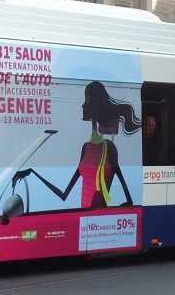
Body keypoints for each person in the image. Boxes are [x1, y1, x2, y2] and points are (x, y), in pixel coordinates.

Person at [14, 80, 140, 210]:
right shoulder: (86, 148)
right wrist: (33, 172)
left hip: (98, 219)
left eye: (88, 100)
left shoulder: (108, 148)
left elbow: (128, 199)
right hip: (83, 216)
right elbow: (64, 194)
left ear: (97, 105)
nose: (83, 105)